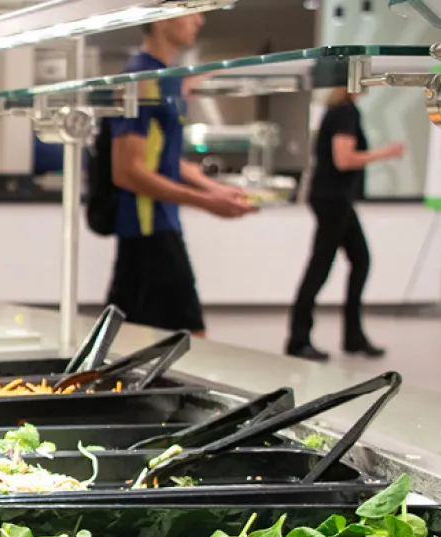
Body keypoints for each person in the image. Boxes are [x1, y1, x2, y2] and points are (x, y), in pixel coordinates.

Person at [107, 14, 255, 338]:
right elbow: (127, 171)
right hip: (148, 227)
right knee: (189, 338)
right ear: (161, 18)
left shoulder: (167, 77)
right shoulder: (142, 79)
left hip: (159, 225)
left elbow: (165, 160)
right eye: (191, 9)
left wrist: (216, 189)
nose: (200, 19)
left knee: (127, 340)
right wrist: (206, 201)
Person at [285, 90, 405, 361]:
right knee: (321, 266)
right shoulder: (344, 112)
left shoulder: (341, 110)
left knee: (360, 260)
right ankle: (298, 338)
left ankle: (353, 336)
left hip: (335, 199)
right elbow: (344, 159)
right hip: (333, 199)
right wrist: (385, 153)